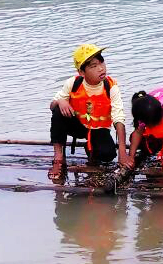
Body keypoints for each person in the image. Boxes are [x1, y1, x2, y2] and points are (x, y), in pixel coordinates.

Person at [48, 44, 129, 182]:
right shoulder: (73, 83)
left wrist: (122, 152)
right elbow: (52, 105)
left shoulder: (111, 87)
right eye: (93, 66)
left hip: (99, 129)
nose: (101, 68)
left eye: (101, 62)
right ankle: (58, 158)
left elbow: (118, 118)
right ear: (82, 72)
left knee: (108, 155)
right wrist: (61, 101)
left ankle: (90, 149)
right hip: (78, 126)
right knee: (57, 111)